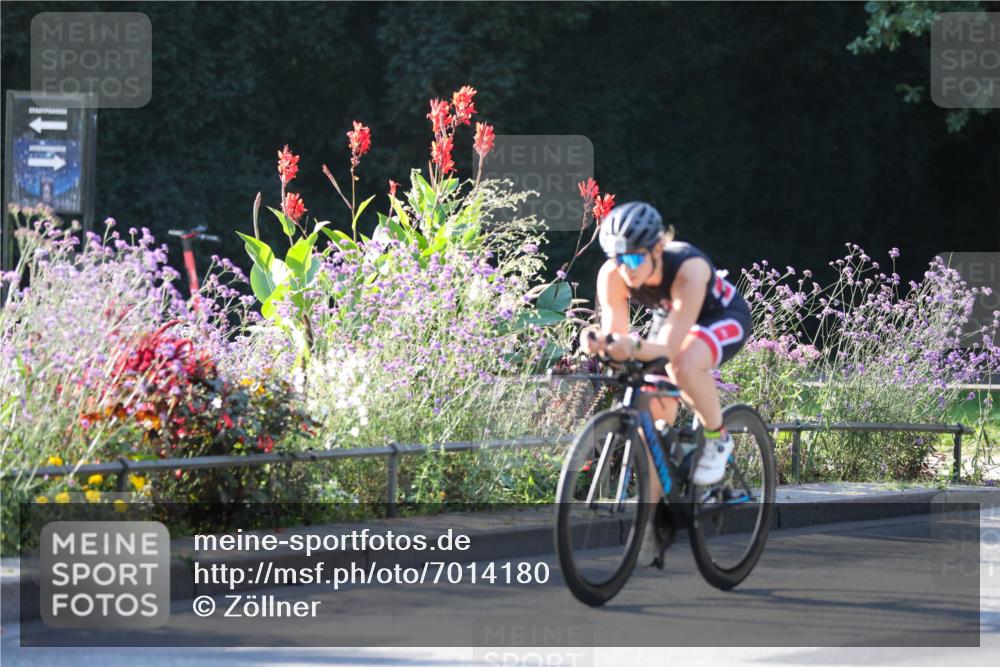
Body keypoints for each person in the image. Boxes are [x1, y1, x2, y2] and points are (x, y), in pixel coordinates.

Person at [578, 201, 752, 563]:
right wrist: (599, 342)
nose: (626, 270)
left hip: (719, 317)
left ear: (658, 248)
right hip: (672, 320)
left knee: (683, 365)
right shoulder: (613, 274)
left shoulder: (688, 267)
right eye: (618, 259)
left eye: (636, 260)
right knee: (650, 426)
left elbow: (671, 347)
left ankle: (717, 437)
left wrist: (631, 346)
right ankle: (652, 524)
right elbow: (617, 334)